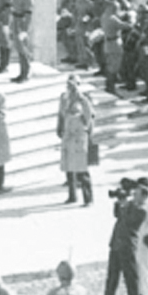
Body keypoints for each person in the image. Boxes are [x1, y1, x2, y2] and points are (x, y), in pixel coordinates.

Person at [58, 74, 95, 206]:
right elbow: (61, 114)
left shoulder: (84, 99)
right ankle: (72, 195)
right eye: (69, 85)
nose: (71, 88)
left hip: (79, 135)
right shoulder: (64, 98)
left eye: (74, 85)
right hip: (68, 134)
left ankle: (88, 198)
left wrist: (89, 133)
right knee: (68, 166)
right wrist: (60, 128)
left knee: (81, 167)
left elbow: (89, 117)